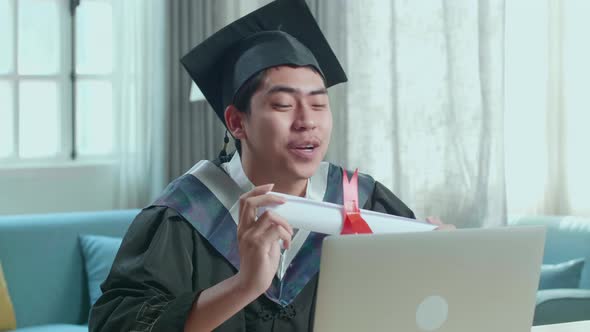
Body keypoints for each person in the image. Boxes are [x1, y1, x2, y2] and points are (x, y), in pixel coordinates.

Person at [88, 0, 453, 331]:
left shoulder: (361, 200)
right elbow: (118, 326)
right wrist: (244, 286)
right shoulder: (186, 214)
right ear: (236, 123)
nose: (307, 121)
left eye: (319, 104)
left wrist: (451, 257)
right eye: (282, 105)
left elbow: (420, 306)